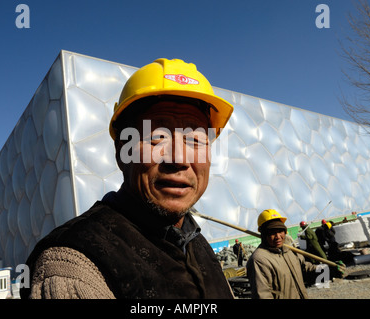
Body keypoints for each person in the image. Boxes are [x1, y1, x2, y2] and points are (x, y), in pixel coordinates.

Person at [20, 58, 235, 299]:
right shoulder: (73, 265)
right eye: (157, 136)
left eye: (196, 139)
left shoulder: (195, 242)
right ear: (122, 152)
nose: (180, 159)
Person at [246, 209, 344, 299]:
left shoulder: (289, 251)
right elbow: (262, 295)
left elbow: (306, 270)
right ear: (263, 235)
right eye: (272, 233)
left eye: (280, 231)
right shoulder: (260, 260)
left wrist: (329, 270)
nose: (278, 237)